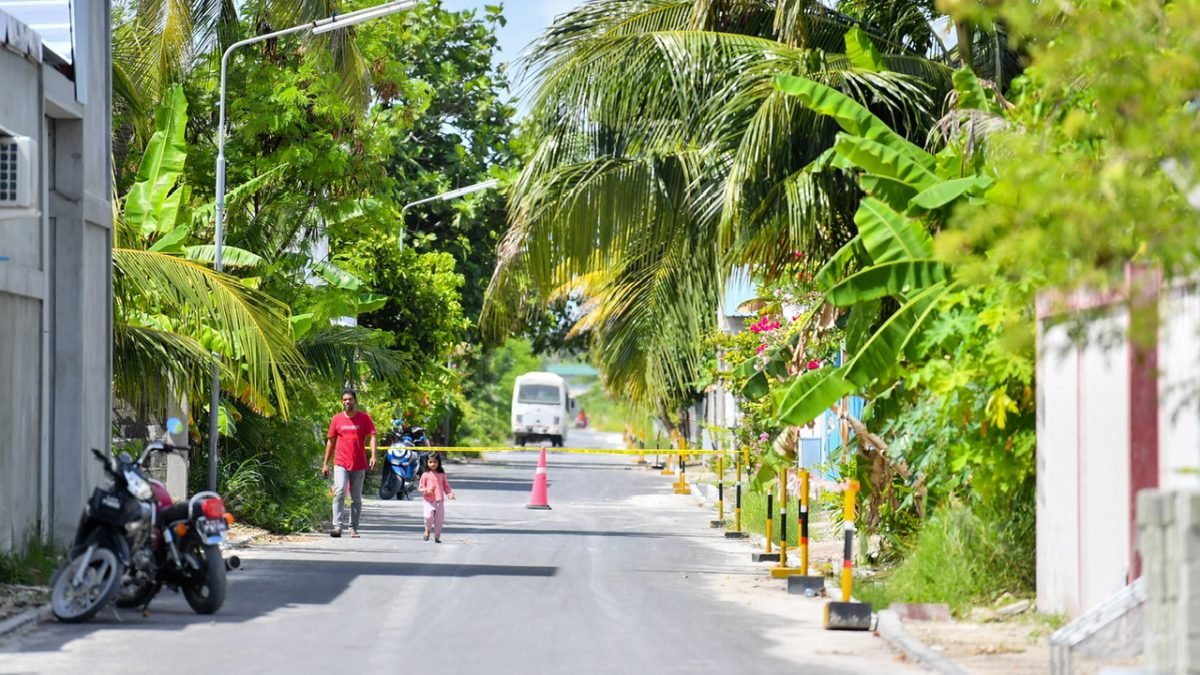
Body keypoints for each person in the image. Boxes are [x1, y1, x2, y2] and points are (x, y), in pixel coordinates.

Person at [322, 389, 377, 538]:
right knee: (339, 491)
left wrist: (373, 455)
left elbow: (372, 436)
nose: (347, 402)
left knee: (356, 497)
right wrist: (325, 463)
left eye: (350, 399)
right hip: (340, 462)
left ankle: (353, 528)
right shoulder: (336, 419)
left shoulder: (364, 418)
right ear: (342, 402)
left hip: (359, 463)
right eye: (345, 399)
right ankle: (337, 526)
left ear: (355, 401)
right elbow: (331, 441)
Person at [418, 453, 455, 543]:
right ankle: (427, 530)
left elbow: (446, 486)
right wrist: (426, 490)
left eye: (435, 462)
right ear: (427, 463)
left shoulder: (441, 474)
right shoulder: (425, 475)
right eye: (430, 462)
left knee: (439, 520)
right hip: (428, 500)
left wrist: (449, 493)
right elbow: (420, 487)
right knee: (428, 516)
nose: (433, 464)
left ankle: (437, 537)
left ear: (439, 463)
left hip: (439, 500)